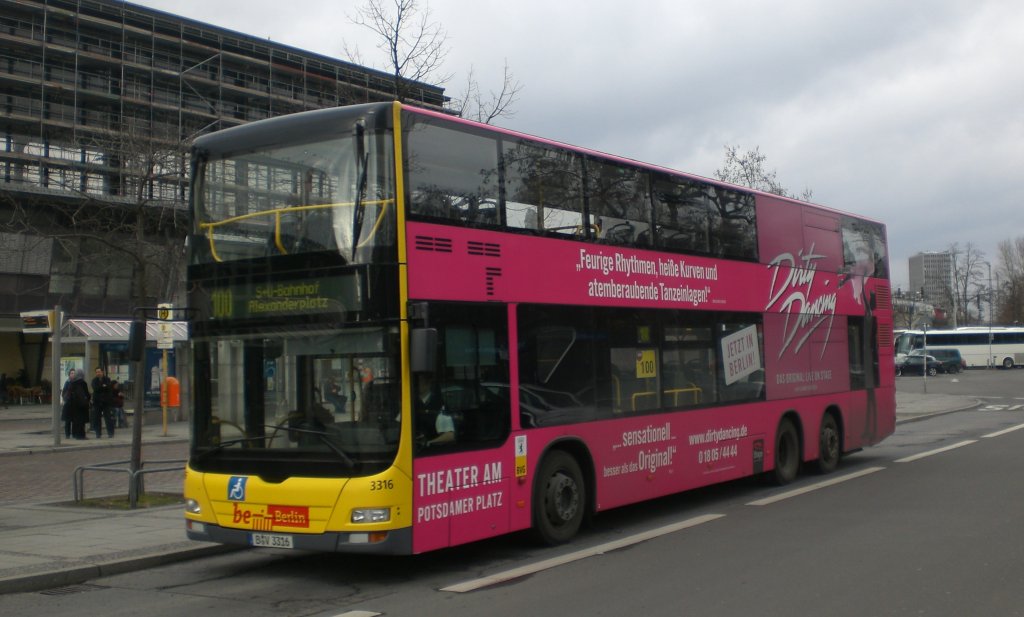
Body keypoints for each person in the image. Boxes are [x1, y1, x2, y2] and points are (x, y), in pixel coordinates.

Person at [91, 367, 114, 438]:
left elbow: (109, 388)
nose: (98, 373)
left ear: (102, 372)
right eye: (97, 372)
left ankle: (110, 433)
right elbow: (95, 388)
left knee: (108, 418)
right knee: (97, 418)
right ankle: (98, 433)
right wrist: (103, 386)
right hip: (97, 402)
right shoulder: (94, 380)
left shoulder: (107, 379)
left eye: (99, 372)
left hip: (106, 402)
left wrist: (103, 387)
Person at [67, 369, 91, 440]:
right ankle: (81, 435)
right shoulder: (83, 383)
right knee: (81, 420)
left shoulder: (72, 383)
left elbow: (69, 394)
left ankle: (75, 434)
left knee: (75, 420)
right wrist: (88, 400)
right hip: (82, 405)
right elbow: (87, 394)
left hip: (74, 405)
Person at [60, 368, 76, 438]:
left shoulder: (78, 382)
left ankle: (74, 433)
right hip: (68, 404)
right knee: (68, 420)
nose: (73, 374)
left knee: (75, 420)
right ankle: (67, 434)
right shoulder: (67, 382)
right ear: (69, 374)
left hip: (75, 404)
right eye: (71, 373)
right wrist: (66, 398)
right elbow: (63, 393)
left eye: (74, 373)